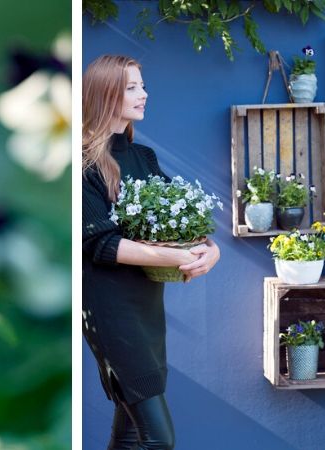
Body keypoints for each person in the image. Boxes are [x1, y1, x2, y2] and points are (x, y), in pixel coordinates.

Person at [81, 55, 221, 449]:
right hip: (111, 313)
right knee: (160, 440)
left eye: (142, 85)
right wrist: (176, 258)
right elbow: (102, 245)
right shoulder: (84, 164)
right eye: (132, 88)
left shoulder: (143, 159)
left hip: (145, 308)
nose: (144, 94)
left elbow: (184, 225)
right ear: (105, 93)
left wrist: (210, 250)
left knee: (128, 435)